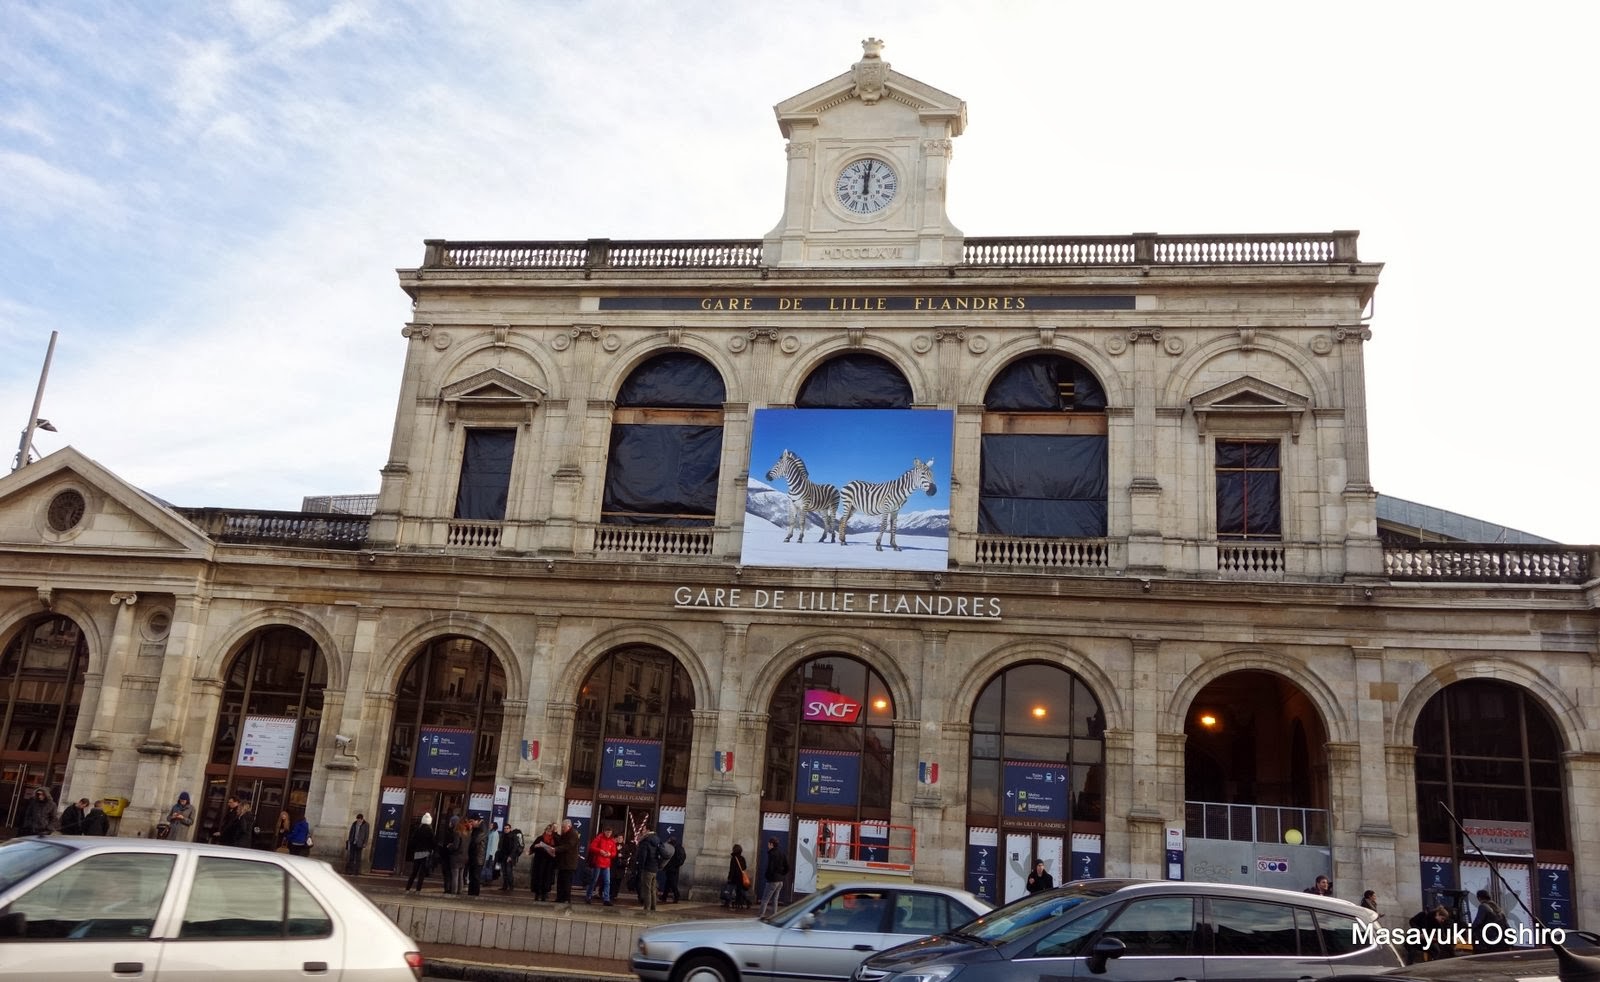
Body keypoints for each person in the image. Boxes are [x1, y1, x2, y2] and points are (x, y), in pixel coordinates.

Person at [404, 813, 436, 893]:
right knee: (422, 873)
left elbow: (413, 841)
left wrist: (414, 849)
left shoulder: (418, 829)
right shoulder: (430, 831)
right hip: (426, 853)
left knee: (414, 872)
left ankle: (408, 888)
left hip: (418, 852)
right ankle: (418, 890)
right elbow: (433, 843)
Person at [585, 826, 618, 905]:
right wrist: (600, 851)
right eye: (607, 832)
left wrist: (610, 854)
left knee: (607, 881)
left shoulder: (612, 841)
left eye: (610, 833)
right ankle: (588, 896)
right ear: (604, 832)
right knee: (594, 880)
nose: (608, 834)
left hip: (606, 863)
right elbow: (592, 847)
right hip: (598, 863)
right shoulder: (599, 838)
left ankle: (606, 899)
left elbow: (614, 853)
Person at [1471, 889, 1510, 953]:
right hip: (1501, 939)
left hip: (1489, 940)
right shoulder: (1498, 908)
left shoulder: (1483, 906)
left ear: (1479, 898)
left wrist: (1469, 930)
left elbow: (1477, 922)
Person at [636, 825, 664, 913]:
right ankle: (653, 907)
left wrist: (640, 867)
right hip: (654, 867)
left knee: (646, 888)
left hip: (647, 868)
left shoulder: (646, 841)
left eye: (643, 830)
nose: (642, 832)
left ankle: (647, 908)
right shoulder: (657, 839)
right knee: (653, 888)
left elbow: (643, 856)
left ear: (648, 830)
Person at [758, 836, 788, 917]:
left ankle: (761, 915)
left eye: (769, 844)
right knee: (775, 899)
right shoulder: (782, 853)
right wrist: (782, 874)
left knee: (765, 899)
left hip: (772, 880)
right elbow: (787, 867)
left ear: (771, 844)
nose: (768, 845)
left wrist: (768, 876)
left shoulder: (771, 853)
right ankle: (774, 915)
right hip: (780, 881)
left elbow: (770, 867)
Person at [554, 819, 581, 908]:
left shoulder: (573, 834)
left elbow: (568, 846)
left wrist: (556, 849)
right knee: (560, 881)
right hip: (562, 862)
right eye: (562, 827)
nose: (562, 829)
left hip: (569, 863)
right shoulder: (564, 834)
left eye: (563, 827)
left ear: (569, 826)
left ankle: (566, 898)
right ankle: (559, 897)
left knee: (567, 881)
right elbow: (560, 843)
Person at [529, 823, 558, 900]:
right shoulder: (540, 838)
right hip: (539, 862)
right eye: (547, 830)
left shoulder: (554, 839)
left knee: (547, 878)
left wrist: (551, 850)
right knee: (539, 877)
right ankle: (537, 893)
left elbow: (557, 849)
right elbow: (532, 847)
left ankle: (544, 894)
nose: (548, 832)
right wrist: (536, 846)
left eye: (550, 831)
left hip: (549, 863)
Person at [497, 822, 524, 891]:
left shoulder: (513, 836)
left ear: (510, 829)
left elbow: (514, 847)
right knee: (504, 872)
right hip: (503, 856)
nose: (506, 829)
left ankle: (511, 886)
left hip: (510, 857)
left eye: (507, 828)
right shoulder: (503, 836)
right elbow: (500, 846)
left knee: (509, 872)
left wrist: (511, 856)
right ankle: (505, 886)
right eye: (505, 828)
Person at [659, 835, 686, 904]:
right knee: (668, 882)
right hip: (675, 868)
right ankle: (664, 896)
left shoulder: (673, 848)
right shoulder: (679, 847)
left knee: (672, 882)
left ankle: (676, 895)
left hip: (671, 867)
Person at [726, 843, 751, 910]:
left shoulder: (734, 858)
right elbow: (744, 867)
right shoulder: (742, 858)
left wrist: (729, 878)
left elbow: (732, 869)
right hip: (741, 877)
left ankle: (728, 902)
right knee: (741, 891)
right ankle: (745, 901)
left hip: (734, 877)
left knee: (729, 890)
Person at [466, 817, 486, 897]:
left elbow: (475, 840)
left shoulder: (482, 828)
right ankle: (471, 893)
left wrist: (470, 831)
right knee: (472, 876)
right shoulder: (478, 828)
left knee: (475, 876)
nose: (471, 824)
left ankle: (474, 894)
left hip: (478, 857)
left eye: (472, 822)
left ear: (477, 821)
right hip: (474, 856)